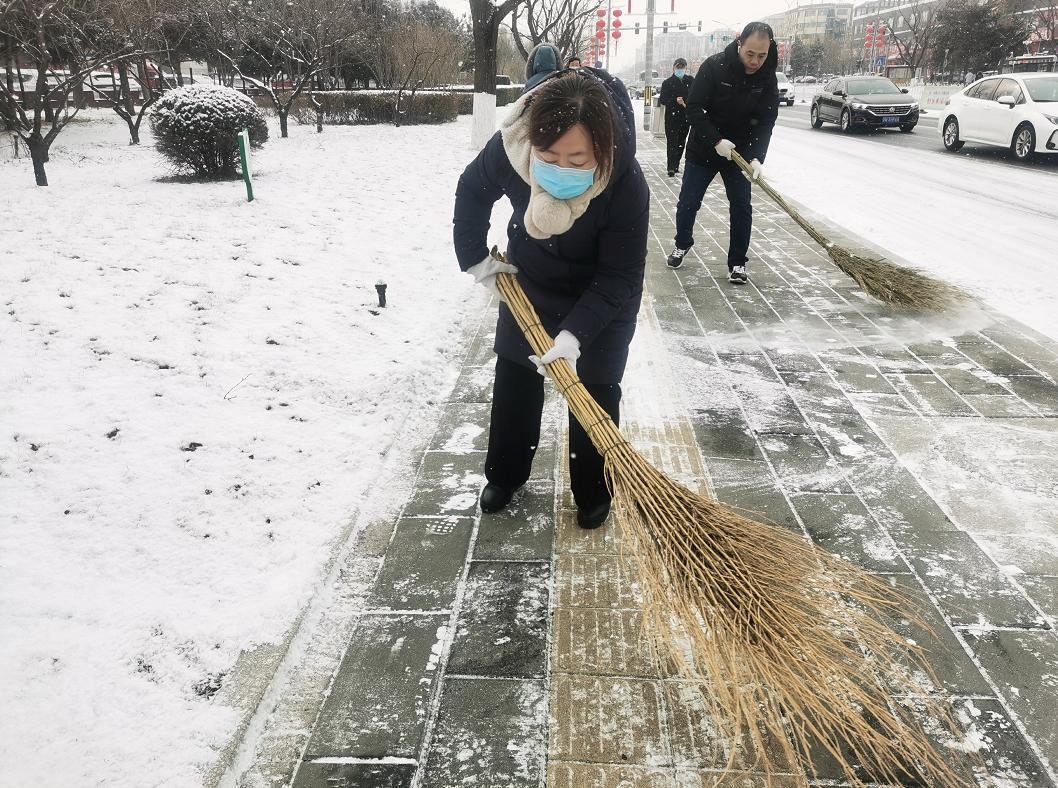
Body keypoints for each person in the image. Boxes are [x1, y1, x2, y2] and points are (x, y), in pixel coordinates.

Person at [453, 69, 648, 529]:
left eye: (578, 159)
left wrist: (575, 336)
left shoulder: (626, 181)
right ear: (532, 142)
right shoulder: (512, 147)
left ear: (601, 148)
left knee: (596, 388)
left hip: (601, 293)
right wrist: (476, 259)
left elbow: (619, 275)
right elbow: (472, 191)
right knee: (516, 379)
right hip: (532, 278)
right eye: (550, 156)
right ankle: (506, 474)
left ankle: (593, 489)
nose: (561, 169)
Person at [665, 21, 779, 284]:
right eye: (750, 54)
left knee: (741, 207)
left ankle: (737, 262)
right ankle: (682, 242)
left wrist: (756, 157)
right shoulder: (715, 66)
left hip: (739, 153)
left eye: (761, 55)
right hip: (704, 148)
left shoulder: (767, 76)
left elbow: (765, 121)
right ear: (740, 44)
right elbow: (694, 108)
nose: (755, 61)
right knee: (688, 203)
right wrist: (716, 140)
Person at [658, 57, 694, 177]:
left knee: (681, 142)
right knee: (672, 142)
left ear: (686, 68)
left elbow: (696, 96)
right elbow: (662, 100)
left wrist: (687, 103)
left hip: (685, 117)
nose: (680, 69)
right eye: (678, 67)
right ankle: (671, 167)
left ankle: (676, 164)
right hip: (671, 118)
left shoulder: (691, 81)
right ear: (673, 68)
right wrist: (674, 100)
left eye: (682, 67)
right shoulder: (667, 83)